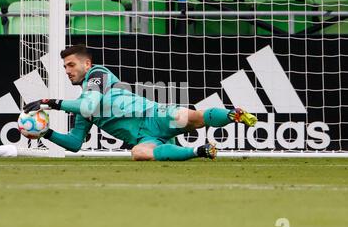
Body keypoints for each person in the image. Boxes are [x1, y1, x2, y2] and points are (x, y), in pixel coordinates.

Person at [23, 44, 258, 161]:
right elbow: (74, 143)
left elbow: (88, 104)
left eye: (71, 65)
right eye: (64, 67)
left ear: (87, 64)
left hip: (155, 115)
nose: (67, 70)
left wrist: (50, 102)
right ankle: (200, 150)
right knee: (139, 153)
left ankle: (233, 115)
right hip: (144, 137)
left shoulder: (98, 74)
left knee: (188, 118)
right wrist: (46, 132)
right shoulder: (82, 104)